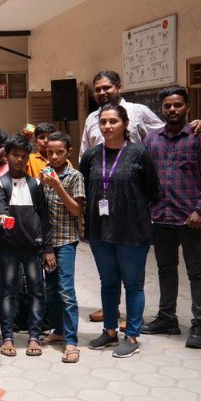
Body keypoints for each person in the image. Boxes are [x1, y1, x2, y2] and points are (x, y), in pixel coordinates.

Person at [80, 71, 201, 324]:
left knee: (137, 270)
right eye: (98, 89)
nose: (103, 92)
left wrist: (198, 124)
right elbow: (85, 154)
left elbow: (168, 129)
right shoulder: (91, 119)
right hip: (106, 201)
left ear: (119, 86)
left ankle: (135, 318)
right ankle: (113, 311)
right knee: (112, 269)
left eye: (107, 87)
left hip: (133, 201)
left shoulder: (139, 112)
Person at [143, 86, 201, 349]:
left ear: (187, 107)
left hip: (192, 219)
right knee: (165, 269)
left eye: (177, 105)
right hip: (161, 218)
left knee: (196, 272)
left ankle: (199, 324)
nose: (172, 110)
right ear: (161, 109)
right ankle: (167, 317)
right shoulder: (152, 140)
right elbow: (145, 176)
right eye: (167, 106)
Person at [82, 104, 160, 358]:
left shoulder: (139, 153)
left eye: (113, 121)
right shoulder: (92, 155)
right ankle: (110, 331)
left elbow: (152, 190)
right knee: (108, 283)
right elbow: (84, 188)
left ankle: (133, 335)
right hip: (100, 230)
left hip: (132, 230)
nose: (107, 126)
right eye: (103, 122)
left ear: (125, 124)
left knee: (133, 284)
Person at [0, 134, 55, 357]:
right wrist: (3, 215)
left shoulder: (36, 184)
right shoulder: (0, 183)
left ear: (28, 158)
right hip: (8, 248)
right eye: (15, 155)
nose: (19, 159)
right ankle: (7, 336)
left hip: (33, 247)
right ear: (7, 157)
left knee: (38, 292)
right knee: (8, 293)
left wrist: (47, 248)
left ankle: (34, 337)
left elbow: (45, 218)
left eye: (23, 156)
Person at [40, 132, 85, 363]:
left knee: (66, 291)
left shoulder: (74, 176)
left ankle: (71, 340)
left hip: (66, 241)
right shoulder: (43, 174)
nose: (54, 156)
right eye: (50, 152)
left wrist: (57, 186)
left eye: (59, 152)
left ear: (68, 152)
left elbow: (76, 210)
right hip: (47, 244)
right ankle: (58, 330)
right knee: (51, 290)